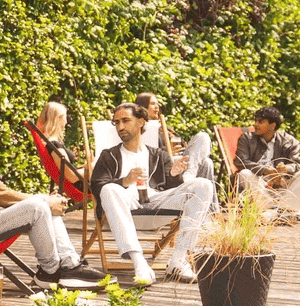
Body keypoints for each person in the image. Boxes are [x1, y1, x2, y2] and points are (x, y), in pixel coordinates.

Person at [0, 105, 107, 289]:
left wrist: (45, 199)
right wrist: (45, 201)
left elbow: (1, 193)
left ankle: (70, 264)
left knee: (43, 204)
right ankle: (50, 271)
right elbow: (3, 196)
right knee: (39, 207)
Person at [90, 102, 215, 285]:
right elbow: (97, 187)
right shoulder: (108, 156)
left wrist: (174, 174)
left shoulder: (158, 155)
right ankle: (139, 263)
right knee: (109, 188)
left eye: (125, 121)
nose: (120, 127)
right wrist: (125, 181)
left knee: (203, 185)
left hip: (156, 204)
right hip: (126, 206)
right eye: (116, 123)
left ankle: (178, 261)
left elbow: (170, 187)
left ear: (141, 122)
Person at [234, 105, 300, 221]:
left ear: (273, 125)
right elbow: (240, 161)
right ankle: (281, 213)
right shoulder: (247, 139)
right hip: (259, 186)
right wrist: (265, 170)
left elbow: (297, 164)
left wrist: (285, 169)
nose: (255, 124)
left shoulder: (289, 141)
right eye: (255, 121)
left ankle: (277, 212)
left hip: (281, 186)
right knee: (245, 174)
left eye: (260, 121)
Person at [135, 92, 217, 190]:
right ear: (142, 107)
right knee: (207, 163)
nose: (157, 107)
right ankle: (189, 178)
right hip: (166, 164)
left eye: (157, 104)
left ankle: (190, 178)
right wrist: (168, 154)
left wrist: (184, 147)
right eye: (153, 104)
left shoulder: (164, 127)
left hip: (181, 159)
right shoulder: (142, 128)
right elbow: (148, 156)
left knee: (203, 138)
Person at [32, 101, 90, 203]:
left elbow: (68, 171)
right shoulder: (54, 145)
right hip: (83, 187)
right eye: (65, 118)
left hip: (80, 184)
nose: (66, 122)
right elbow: (72, 177)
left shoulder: (50, 143)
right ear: (58, 119)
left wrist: (85, 167)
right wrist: (92, 168)